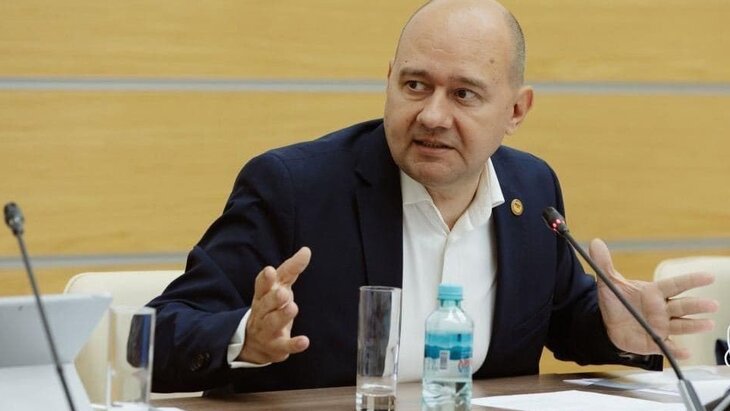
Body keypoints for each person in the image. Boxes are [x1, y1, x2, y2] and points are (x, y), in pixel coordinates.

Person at [148, 0, 718, 394]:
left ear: (516, 111)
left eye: (464, 94)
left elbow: (564, 319)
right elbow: (158, 335)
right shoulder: (294, 188)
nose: (432, 116)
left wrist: (615, 329)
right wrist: (244, 338)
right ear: (389, 79)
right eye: (415, 85)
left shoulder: (531, 189)